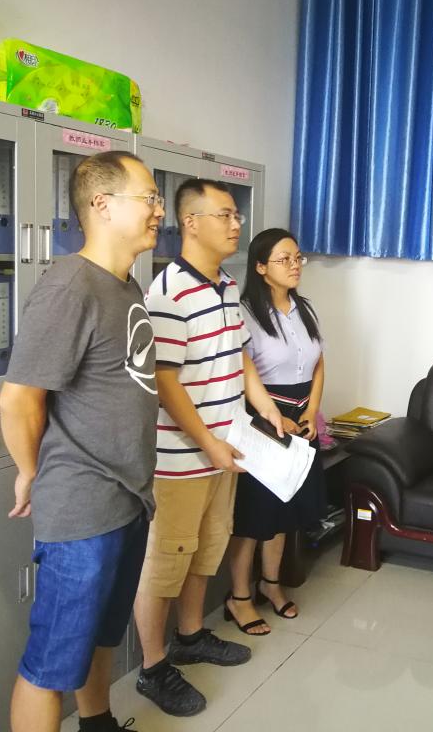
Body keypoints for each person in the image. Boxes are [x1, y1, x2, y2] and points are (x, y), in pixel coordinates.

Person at [0, 151, 164, 732]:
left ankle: (97, 725)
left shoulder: (125, 285)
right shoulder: (70, 285)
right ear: (102, 204)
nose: (159, 210)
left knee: (99, 637)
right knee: (51, 664)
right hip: (83, 508)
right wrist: (30, 471)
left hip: (128, 498)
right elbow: (19, 398)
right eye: (148, 197)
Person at [132, 179, 284, 717]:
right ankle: (153, 668)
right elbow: (165, 383)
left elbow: (240, 355)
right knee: (164, 565)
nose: (236, 223)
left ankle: (191, 636)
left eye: (236, 214)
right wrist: (207, 443)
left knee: (205, 550)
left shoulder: (225, 284)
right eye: (225, 214)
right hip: (181, 459)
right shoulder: (167, 293)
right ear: (191, 223)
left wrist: (264, 405)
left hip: (226, 449)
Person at [224, 228, 326, 635]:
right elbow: (243, 371)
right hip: (262, 418)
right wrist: (273, 416)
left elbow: (318, 362)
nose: (295, 265)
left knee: (286, 511)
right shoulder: (245, 313)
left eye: (298, 257)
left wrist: (313, 411)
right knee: (254, 516)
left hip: (302, 416)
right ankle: (239, 597)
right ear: (261, 267)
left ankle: (271, 584)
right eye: (285, 259)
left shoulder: (304, 309)